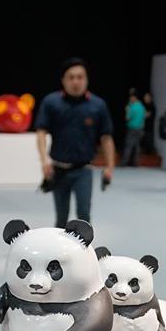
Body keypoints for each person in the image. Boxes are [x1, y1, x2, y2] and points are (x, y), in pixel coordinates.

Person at [35, 58, 115, 227]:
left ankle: (85, 253)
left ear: (86, 79)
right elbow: (41, 132)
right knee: (61, 218)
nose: (76, 81)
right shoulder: (51, 102)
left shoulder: (98, 105)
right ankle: (59, 253)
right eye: (71, 77)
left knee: (84, 216)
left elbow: (106, 138)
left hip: (83, 170)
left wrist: (109, 166)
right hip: (58, 169)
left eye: (80, 77)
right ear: (63, 80)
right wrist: (44, 161)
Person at [121, 89, 146, 166]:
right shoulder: (142, 106)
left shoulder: (132, 107)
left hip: (132, 128)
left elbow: (128, 118)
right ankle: (135, 163)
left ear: (133, 98)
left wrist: (127, 110)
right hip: (140, 128)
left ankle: (124, 162)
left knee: (129, 145)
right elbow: (144, 117)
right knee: (137, 145)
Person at [142, 91, 157, 155]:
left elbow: (147, 115)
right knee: (143, 141)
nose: (146, 98)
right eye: (145, 97)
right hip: (142, 126)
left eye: (147, 97)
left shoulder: (152, 106)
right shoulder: (143, 105)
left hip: (149, 127)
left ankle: (151, 153)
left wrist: (143, 114)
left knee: (149, 141)